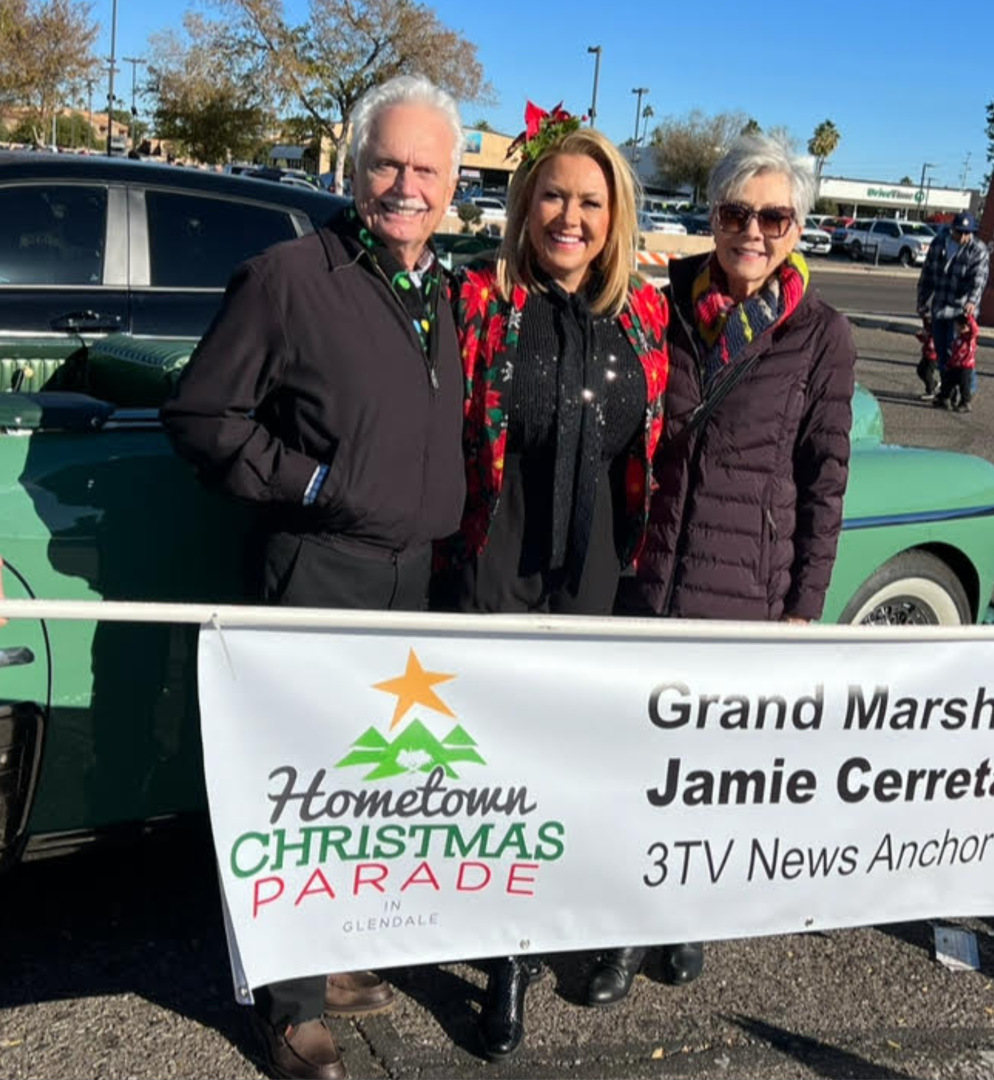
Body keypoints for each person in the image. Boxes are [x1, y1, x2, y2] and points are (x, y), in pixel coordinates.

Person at [160, 74, 465, 1080]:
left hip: (408, 578)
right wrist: (314, 482)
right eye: (389, 162)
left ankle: (324, 961)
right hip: (315, 570)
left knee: (369, 791)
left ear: (454, 180)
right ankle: (289, 1009)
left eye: (427, 167)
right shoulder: (290, 276)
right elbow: (204, 417)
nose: (406, 184)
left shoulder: (443, 290)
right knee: (298, 791)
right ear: (354, 164)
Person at [437, 111, 669, 1060]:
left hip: (598, 577)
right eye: (554, 197)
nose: (569, 217)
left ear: (615, 217)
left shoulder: (646, 314)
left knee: (578, 765)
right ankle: (502, 961)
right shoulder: (482, 302)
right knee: (500, 768)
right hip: (501, 560)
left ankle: (566, 922)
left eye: (589, 201)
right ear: (526, 205)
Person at [617, 132, 857, 1001]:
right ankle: (617, 926)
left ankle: (683, 920)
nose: (753, 231)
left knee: (705, 772)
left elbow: (825, 477)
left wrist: (805, 606)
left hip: (744, 586)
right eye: (735, 212)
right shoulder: (660, 306)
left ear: (798, 225)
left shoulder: (823, 335)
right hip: (647, 573)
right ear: (711, 216)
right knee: (636, 761)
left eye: (774, 215)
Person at [915, 210, 989, 409]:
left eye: (968, 232)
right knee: (941, 353)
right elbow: (928, 275)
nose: (964, 236)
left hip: (961, 313)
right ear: (952, 230)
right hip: (940, 307)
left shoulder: (978, 250)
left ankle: (966, 392)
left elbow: (978, 280)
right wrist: (922, 301)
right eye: (960, 231)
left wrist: (972, 302)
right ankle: (947, 392)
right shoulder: (939, 244)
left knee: (960, 354)